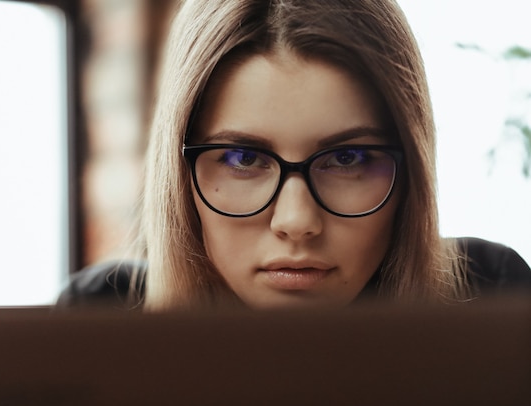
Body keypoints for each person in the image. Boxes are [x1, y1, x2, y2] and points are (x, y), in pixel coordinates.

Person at [58, 0, 531, 311]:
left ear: (412, 174)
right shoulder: (102, 316)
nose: (297, 221)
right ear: (179, 177)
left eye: (348, 159)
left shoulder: (488, 298)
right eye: (243, 158)